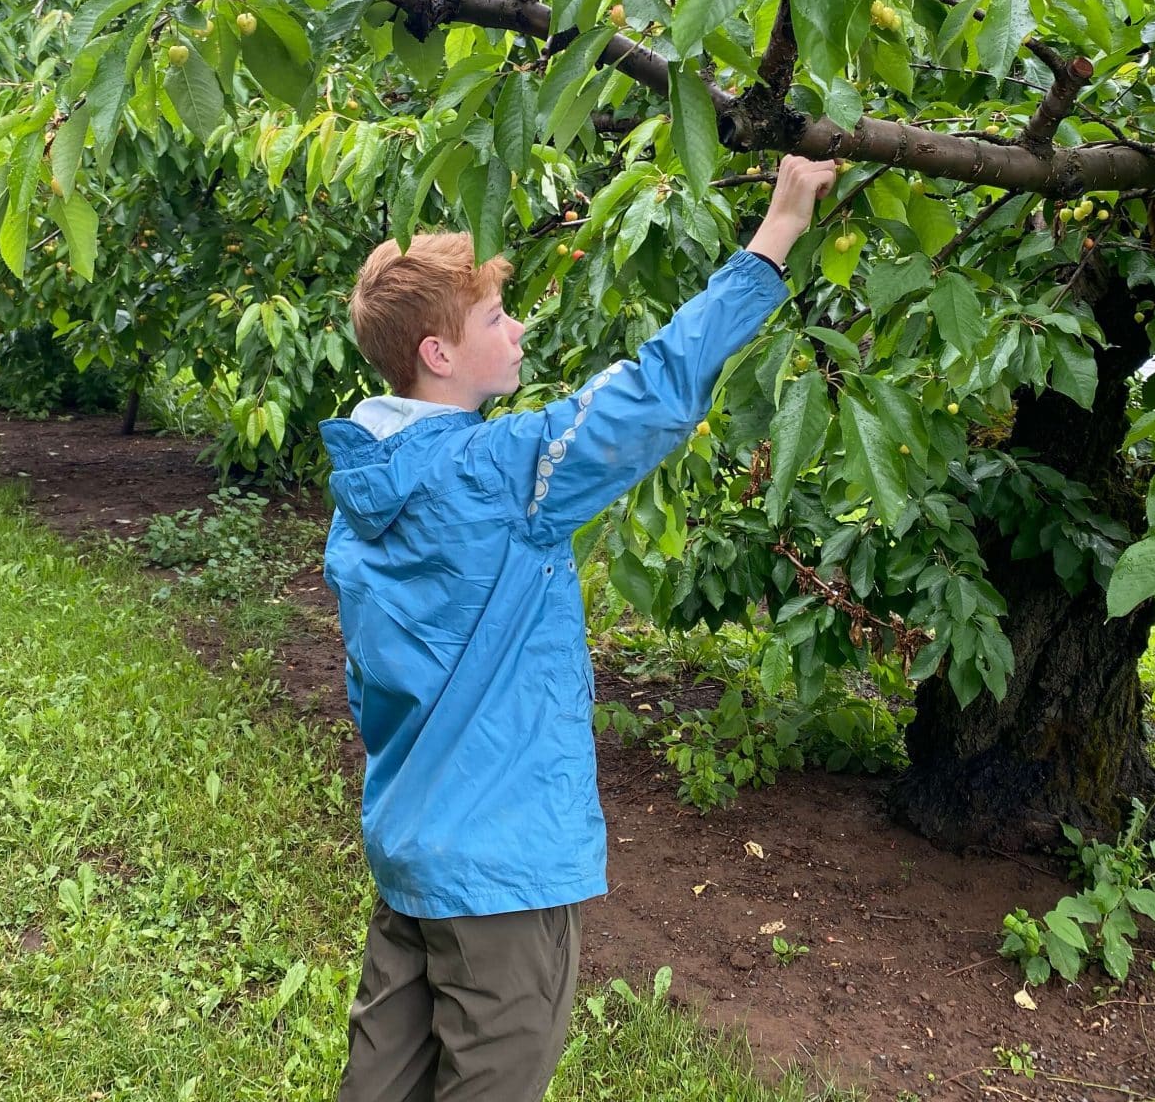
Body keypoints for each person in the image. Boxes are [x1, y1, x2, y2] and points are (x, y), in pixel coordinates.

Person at [320, 155, 839, 1102]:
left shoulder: (363, 496)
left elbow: (371, 683)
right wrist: (777, 236)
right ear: (437, 354)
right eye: (492, 319)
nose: (515, 329)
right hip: (501, 867)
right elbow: (654, 392)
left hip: (412, 846)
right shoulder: (501, 473)